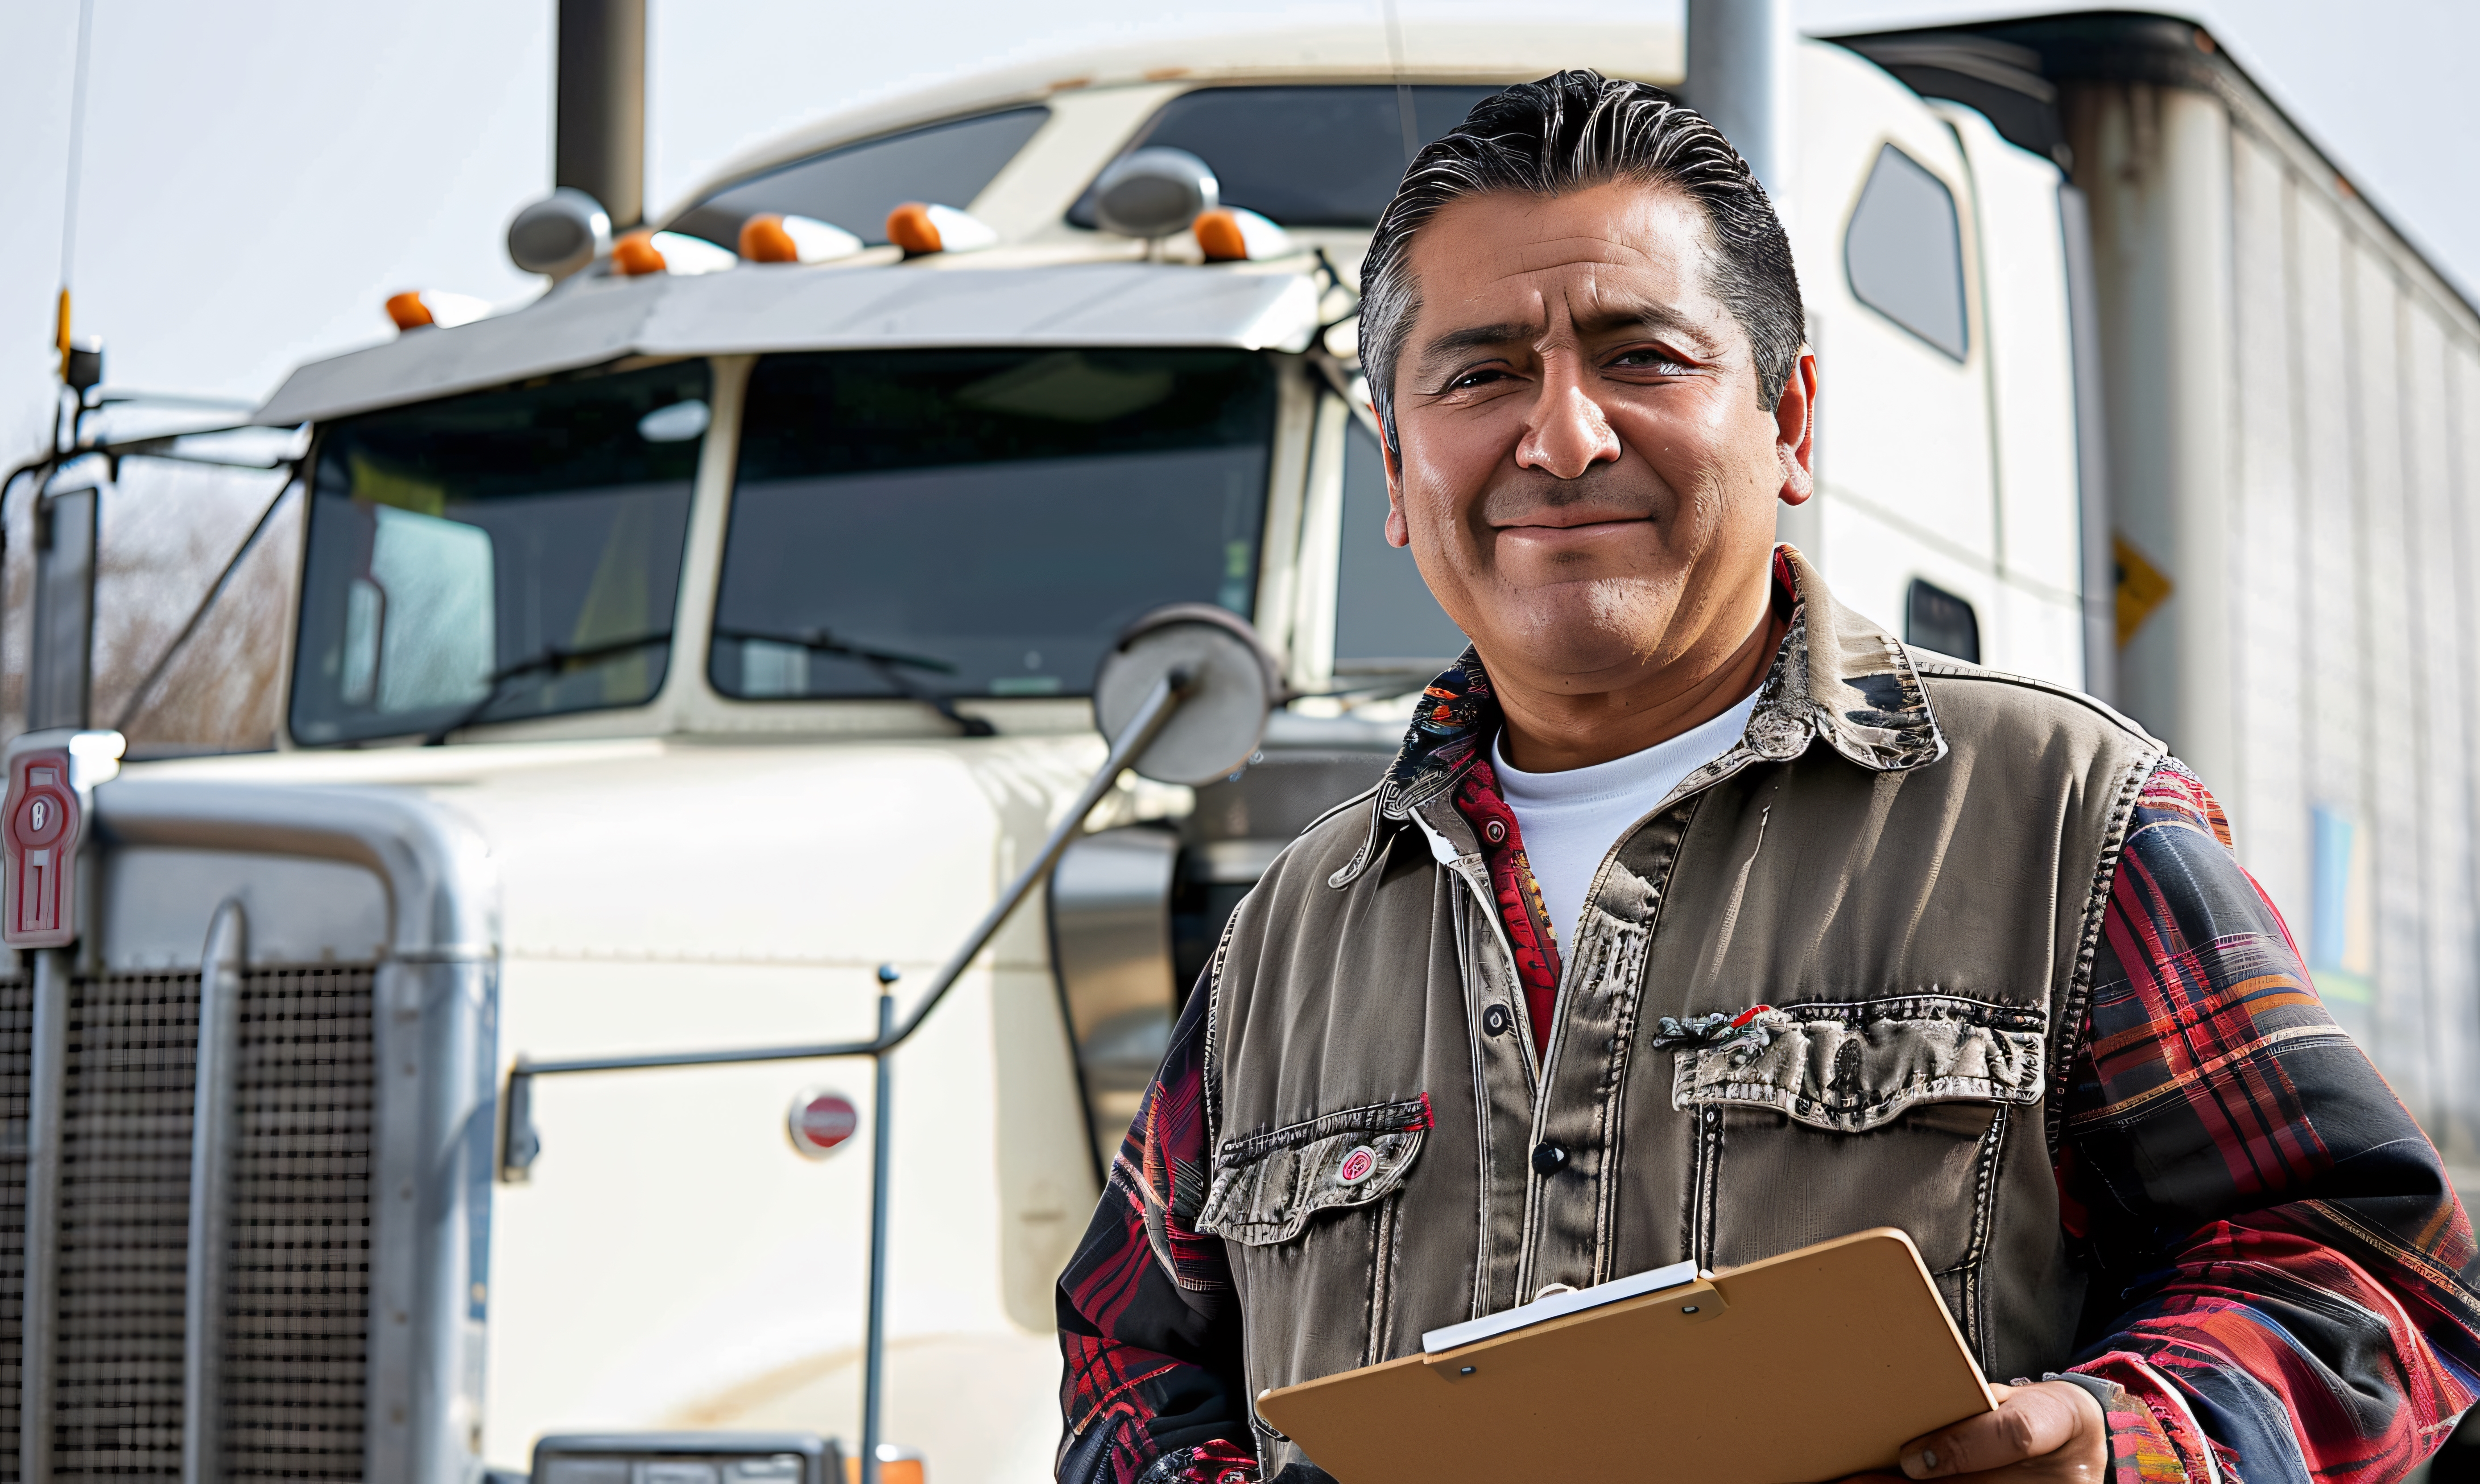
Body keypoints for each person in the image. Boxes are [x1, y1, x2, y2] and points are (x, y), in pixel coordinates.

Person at [1054, 70, 2480, 1484]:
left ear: (1789, 421)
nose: (1563, 438)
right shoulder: (1289, 937)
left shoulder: (2064, 817)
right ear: (1395, 466)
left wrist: (2124, 1438)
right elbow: (1132, 1358)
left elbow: (2365, 1259)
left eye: (1641, 357)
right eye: (1482, 374)